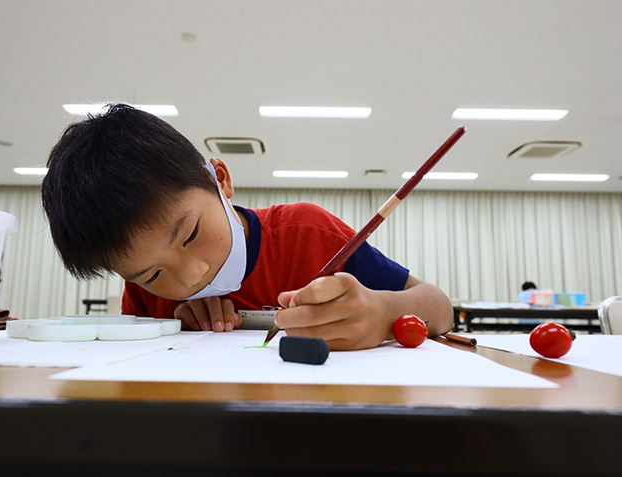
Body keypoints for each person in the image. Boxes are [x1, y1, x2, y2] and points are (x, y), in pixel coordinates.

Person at [42, 104, 453, 351]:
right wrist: (180, 330)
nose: (191, 276)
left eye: (189, 235)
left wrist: (382, 312)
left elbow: (439, 308)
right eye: (153, 274)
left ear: (219, 178)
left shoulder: (306, 233)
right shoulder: (144, 291)